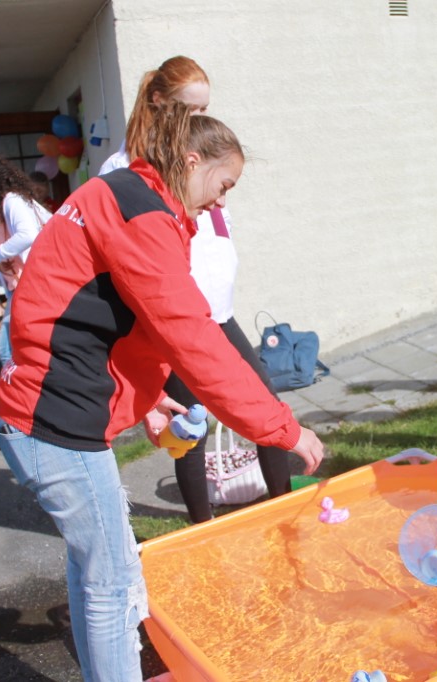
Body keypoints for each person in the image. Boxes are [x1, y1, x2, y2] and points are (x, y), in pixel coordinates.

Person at [0, 100, 325, 682]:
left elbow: (102, 312)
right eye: (224, 183)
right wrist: (283, 428)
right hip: (57, 424)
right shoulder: (140, 211)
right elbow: (192, 336)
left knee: (94, 568)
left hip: (45, 413)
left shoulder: (124, 195)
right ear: (192, 160)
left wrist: (144, 397)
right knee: (116, 586)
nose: (224, 200)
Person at [101, 56, 295, 523]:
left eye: (202, 109)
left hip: (219, 313)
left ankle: (287, 509)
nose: (194, 119)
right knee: (192, 424)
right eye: (187, 109)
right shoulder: (125, 165)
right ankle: (201, 526)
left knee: (264, 403)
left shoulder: (197, 154)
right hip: (176, 321)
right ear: (158, 101)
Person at [0, 155, 52, 364]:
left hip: (32, 284)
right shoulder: (18, 201)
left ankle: (19, 392)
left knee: (7, 348)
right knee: (10, 347)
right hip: (32, 282)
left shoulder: (12, 201)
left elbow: (28, 235)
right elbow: (15, 260)